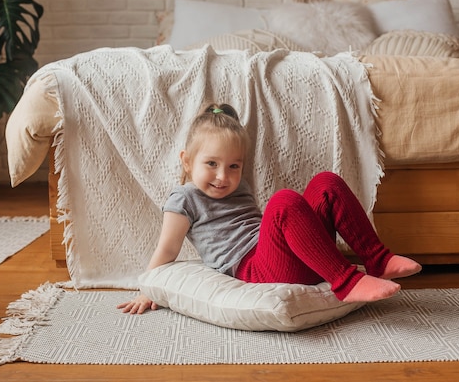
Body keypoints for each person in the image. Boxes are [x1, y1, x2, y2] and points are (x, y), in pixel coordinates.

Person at [118, 103, 421, 314]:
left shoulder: (239, 187)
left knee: (326, 183)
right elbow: (166, 251)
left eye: (234, 166)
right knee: (283, 201)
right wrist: (149, 289)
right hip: (256, 268)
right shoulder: (184, 198)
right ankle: (346, 282)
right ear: (187, 161)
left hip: (294, 256)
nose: (223, 176)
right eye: (211, 164)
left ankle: (377, 258)